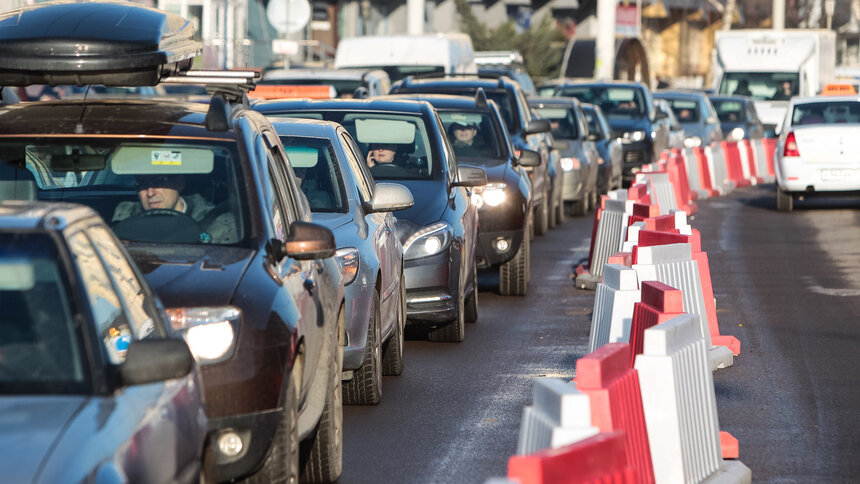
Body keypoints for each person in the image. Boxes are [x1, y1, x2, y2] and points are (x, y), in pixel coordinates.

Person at [112, 174, 238, 243]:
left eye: (159, 182)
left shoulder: (219, 224)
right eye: (142, 184)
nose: (150, 193)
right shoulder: (125, 218)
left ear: (179, 183)